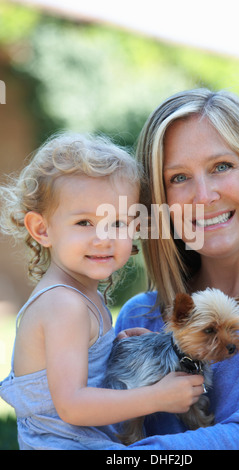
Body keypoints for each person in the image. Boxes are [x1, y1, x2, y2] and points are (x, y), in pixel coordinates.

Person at [114, 88, 239, 450]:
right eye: (178, 178)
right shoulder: (141, 317)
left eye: (221, 167)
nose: (203, 196)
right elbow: (75, 429)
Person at [0, 132, 204, 450]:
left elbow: (78, 370)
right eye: (84, 222)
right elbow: (72, 406)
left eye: (119, 223)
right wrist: (156, 397)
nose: (104, 238)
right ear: (42, 229)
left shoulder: (80, 295)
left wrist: (111, 350)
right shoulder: (64, 304)